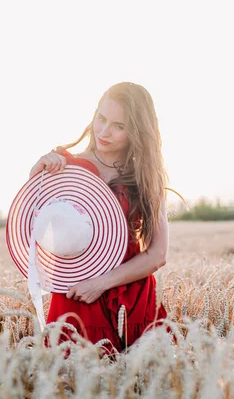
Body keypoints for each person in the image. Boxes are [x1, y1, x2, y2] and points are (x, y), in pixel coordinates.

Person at [28, 82, 176, 354]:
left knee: (152, 382)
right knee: (75, 383)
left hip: (131, 296)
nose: (104, 132)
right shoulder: (65, 166)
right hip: (76, 296)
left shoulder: (145, 177)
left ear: (137, 132)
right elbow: (36, 224)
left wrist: (100, 283)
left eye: (119, 126)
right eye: (101, 118)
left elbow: (158, 254)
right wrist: (36, 174)